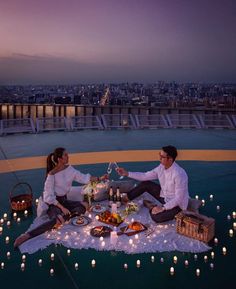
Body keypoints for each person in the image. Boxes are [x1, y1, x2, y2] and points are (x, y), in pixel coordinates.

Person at [14, 147, 107, 248]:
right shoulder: (51, 175)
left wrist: (100, 178)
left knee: (83, 207)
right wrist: (62, 208)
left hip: (64, 200)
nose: (68, 156)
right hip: (53, 204)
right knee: (57, 221)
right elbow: (48, 196)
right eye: (65, 155)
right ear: (60, 159)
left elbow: (84, 178)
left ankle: (64, 217)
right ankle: (27, 235)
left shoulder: (70, 169)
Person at [116, 145, 189, 223]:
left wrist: (162, 208)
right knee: (146, 184)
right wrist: (127, 173)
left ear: (170, 159)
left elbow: (178, 199)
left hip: (177, 206)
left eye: (162, 156)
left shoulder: (179, 174)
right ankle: (126, 198)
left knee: (156, 217)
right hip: (164, 196)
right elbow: (145, 176)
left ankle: (151, 206)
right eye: (159, 155)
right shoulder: (161, 167)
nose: (159, 158)